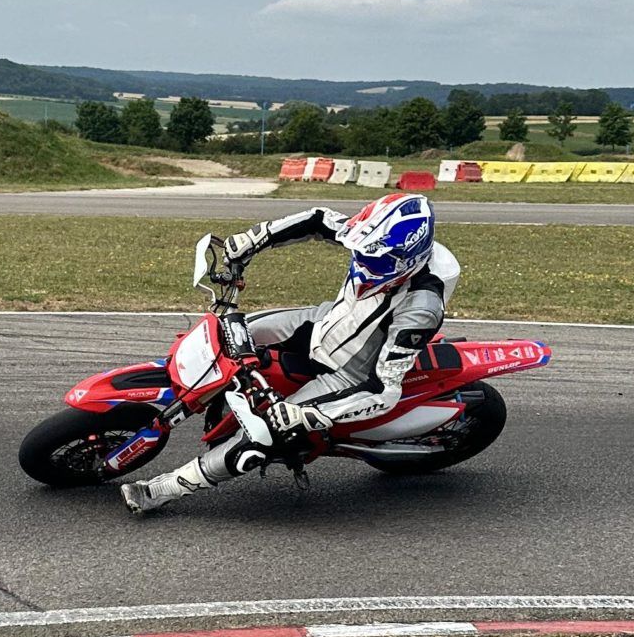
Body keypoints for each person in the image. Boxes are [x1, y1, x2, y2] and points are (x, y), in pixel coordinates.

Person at [121, 191, 460, 515]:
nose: (362, 263)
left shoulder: (421, 309)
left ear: (409, 260)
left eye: (375, 260)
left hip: (347, 372)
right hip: (321, 323)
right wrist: (255, 238)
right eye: (360, 252)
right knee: (228, 331)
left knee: (266, 433)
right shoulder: (371, 240)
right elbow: (318, 219)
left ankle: (166, 488)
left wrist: (309, 415)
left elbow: (384, 389)